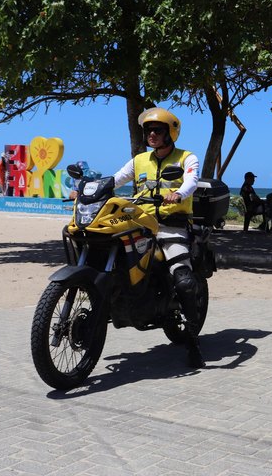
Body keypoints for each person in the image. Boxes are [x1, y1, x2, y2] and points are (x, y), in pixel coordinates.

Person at [112, 107, 205, 368]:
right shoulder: (140, 160)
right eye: (149, 130)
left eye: (158, 130)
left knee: (184, 280)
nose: (152, 134)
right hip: (140, 223)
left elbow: (192, 181)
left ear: (170, 133)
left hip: (170, 226)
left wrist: (179, 194)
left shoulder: (187, 157)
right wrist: (90, 188)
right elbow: (117, 178)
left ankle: (193, 341)